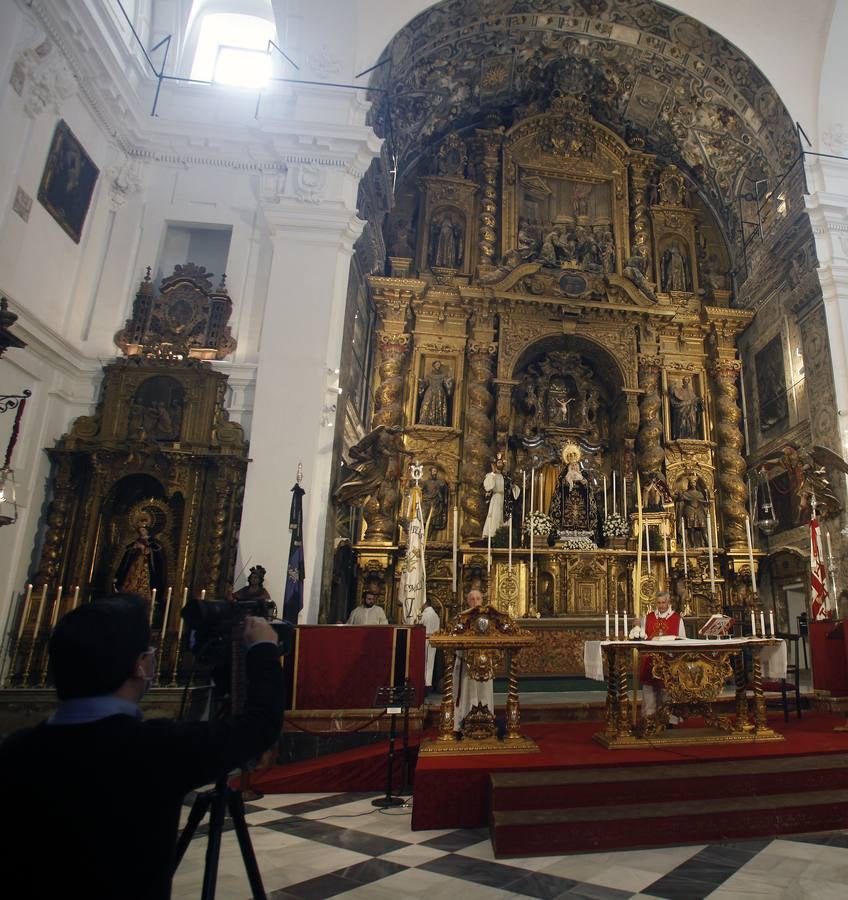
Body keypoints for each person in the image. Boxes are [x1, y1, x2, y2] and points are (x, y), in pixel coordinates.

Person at [0, 594, 283, 900]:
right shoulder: (156, 749)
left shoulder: (14, 751)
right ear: (141, 666)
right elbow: (259, 726)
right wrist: (263, 650)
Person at [640, 590, 686, 724]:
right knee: (649, 689)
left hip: (669, 661)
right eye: (658, 603)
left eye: (663, 602)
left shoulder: (677, 619)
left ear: (668, 602)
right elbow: (643, 638)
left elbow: (682, 640)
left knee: (667, 689)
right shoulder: (648, 618)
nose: (661, 606)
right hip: (650, 659)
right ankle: (649, 717)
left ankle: (669, 718)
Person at [453, 588, 494, 731]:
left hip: (484, 662)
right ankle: (463, 721)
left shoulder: (490, 619)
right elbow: (455, 637)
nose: (475, 602)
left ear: (482, 601)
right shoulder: (462, 618)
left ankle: (485, 720)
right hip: (466, 663)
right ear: (467, 601)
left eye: (478, 599)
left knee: (483, 691)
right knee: (467, 691)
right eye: (472, 599)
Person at [114, 523, 166, 601]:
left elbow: (156, 554)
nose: (141, 532)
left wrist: (144, 549)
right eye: (140, 530)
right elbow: (128, 553)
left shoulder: (153, 542)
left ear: (147, 531)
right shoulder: (135, 542)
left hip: (146, 566)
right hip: (135, 565)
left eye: (143, 530)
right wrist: (134, 549)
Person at [482, 456, 520, 539]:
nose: (500, 464)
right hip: (496, 498)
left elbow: (514, 489)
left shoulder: (506, 477)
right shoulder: (491, 475)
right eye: (498, 463)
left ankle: (504, 536)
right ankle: (492, 536)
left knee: (504, 517)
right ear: (495, 464)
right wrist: (492, 473)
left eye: (501, 463)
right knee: (495, 516)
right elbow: (488, 486)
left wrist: (513, 487)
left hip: (506, 500)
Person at [417, 360, 454, 426]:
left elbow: (446, 384)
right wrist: (421, 382)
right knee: (426, 404)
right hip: (430, 391)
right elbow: (425, 383)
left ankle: (439, 422)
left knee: (439, 406)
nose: (438, 366)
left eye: (439, 365)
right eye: (436, 364)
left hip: (439, 393)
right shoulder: (429, 375)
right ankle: (425, 421)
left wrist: (449, 382)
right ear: (433, 365)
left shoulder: (443, 375)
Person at [419, 598, 441, 689]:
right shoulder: (436, 615)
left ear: (425, 603)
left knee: (424, 662)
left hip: (425, 639)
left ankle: (425, 683)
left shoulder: (424, 615)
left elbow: (419, 626)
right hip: (433, 640)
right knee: (430, 662)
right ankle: (428, 683)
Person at [420, 465, 449, 532]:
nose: (434, 473)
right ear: (430, 472)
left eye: (435, 471)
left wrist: (444, 497)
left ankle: (430, 529)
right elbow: (421, 491)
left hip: (435, 502)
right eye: (433, 471)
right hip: (426, 501)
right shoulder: (426, 482)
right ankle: (424, 529)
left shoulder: (440, 482)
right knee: (424, 516)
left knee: (433, 518)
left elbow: (444, 490)